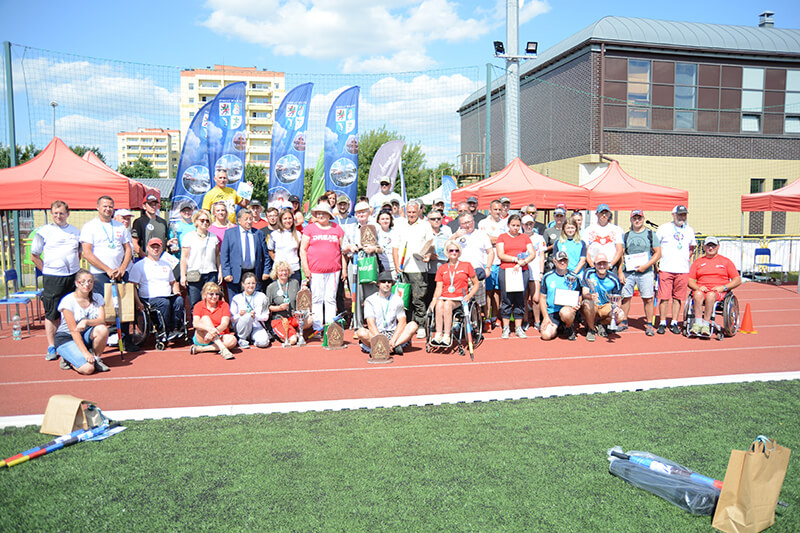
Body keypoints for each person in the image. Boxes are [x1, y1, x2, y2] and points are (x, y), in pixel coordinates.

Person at [80, 195, 138, 352]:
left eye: (111, 206)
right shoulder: (90, 227)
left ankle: (125, 339)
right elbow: (87, 253)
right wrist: (107, 269)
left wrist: (122, 268)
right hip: (100, 274)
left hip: (120, 273)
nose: (108, 209)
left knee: (124, 308)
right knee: (101, 310)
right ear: (98, 207)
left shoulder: (120, 227)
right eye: (105, 206)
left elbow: (128, 249)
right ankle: (96, 341)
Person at [31, 200, 81, 361]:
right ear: (52, 214)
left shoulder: (75, 231)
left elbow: (79, 253)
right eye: (55, 213)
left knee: (72, 312)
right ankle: (52, 346)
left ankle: (72, 342)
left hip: (72, 277)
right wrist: (47, 271)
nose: (58, 216)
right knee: (52, 313)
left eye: (61, 213)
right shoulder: (43, 231)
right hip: (52, 278)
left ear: (68, 214)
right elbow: (34, 256)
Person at [299, 203, 346, 331]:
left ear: (329, 215)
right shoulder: (310, 229)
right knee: (316, 299)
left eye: (323, 213)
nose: (320, 215)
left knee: (330, 299)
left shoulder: (337, 228)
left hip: (334, 270)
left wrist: (344, 269)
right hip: (315, 271)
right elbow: (302, 250)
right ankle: (317, 328)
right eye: (318, 213)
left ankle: (330, 329)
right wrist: (306, 269)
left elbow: (343, 250)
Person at [54, 269, 110, 374]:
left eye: (90, 281)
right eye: (82, 282)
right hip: (67, 338)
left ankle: (97, 359)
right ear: (76, 283)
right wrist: (85, 353)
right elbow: (74, 331)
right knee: (88, 369)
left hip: (85, 335)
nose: (86, 284)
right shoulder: (68, 301)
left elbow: (102, 321)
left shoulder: (98, 298)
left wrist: (86, 321)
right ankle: (69, 360)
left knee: (102, 329)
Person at [392, 199, 434, 338]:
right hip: (403, 268)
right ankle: (407, 324)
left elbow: (430, 244)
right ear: (405, 212)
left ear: (419, 211)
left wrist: (428, 255)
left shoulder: (425, 225)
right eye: (409, 212)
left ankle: (421, 325)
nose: (411, 214)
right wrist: (397, 265)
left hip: (419, 268)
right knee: (404, 299)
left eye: (414, 212)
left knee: (418, 298)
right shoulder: (399, 226)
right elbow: (395, 247)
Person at [129, 238, 185, 342]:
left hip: (167, 296)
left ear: (161, 248)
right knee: (164, 303)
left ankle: (175, 328)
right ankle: (164, 330)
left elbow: (173, 283)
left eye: (157, 247)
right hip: (149, 298)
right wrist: (138, 303)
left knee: (179, 301)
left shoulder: (166, 264)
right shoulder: (140, 265)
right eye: (152, 247)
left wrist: (176, 292)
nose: (155, 249)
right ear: (147, 248)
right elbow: (132, 286)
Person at [687, 236, 741, 336]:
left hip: (719, 292)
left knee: (711, 295)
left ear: (718, 247)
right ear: (704, 247)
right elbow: (690, 280)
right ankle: (698, 323)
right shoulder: (697, 262)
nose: (711, 248)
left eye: (713, 246)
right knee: (698, 294)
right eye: (708, 246)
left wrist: (723, 287)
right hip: (701, 289)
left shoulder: (726, 262)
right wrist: (697, 288)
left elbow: (737, 280)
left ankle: (706, 324)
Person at [619, 209, 661, 336]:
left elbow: (658, 253)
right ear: (631, 220)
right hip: (629, 272)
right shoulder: (626, 235)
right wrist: (620, 271)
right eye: (634, 218)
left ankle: (649, 324)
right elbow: (621, 255)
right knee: (625, 297)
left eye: (639, 218)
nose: (637, 220)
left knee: (647, 298)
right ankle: (624, 321)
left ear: (643, 219)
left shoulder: (651, 234)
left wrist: (646, 266)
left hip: (646, 272)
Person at [656, 205, 696, 335]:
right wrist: (657, 263)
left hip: (682, 270)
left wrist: (684, 259)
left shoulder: (689, 230)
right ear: (673, 215)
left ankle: (674, 322)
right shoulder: (664, 228)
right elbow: (656, 246)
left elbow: (692, 247)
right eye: (680, 215)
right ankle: (662, 322)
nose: (682, 217)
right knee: (664, 297)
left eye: (684, 214)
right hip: (666, 268)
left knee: (678, 298)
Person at [429, 242, 479, 346]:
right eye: (451, 250)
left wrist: (469, 295)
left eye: (456, 250)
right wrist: (434, 300)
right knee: (439, 304)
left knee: (447, 304)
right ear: (447, 252)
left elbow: (476, 284)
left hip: (459, 298)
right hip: (444, 296)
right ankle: (438, 334)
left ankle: (447, 335)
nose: (454, 252)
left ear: (459, 252)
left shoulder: (466, 265)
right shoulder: (442, 268)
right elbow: (438, 288)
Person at [449, 212, 493, 330]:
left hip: (477, 272)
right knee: (460, 300)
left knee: (477, 302)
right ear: (460, 224)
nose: (467, 225)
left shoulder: (482, 235)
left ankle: (476, 324)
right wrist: (455, 236)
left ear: (473, 221)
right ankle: (461, 324)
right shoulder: (457, 236)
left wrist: (488, 267)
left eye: (469, 222)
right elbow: (446, 248)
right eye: (464, 223)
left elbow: (490, 252)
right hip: (460, 274)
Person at [357, 271, 418, 355]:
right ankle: (384, 346)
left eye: (389, 282)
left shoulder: (398, 299)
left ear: (392, 284)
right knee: (361, 332)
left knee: (413, 325)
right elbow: (371, 324)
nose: (386, 284)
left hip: (394, 334)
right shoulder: (370, 300)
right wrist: (381, 340)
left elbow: (402, 322)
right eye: (383, 281)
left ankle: (390, 346)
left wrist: (393, 340)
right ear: (378, 283)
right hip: (376, 333)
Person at [495, 214, 534, 339]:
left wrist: (524, 261)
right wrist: (515, 259)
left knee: (520, 298)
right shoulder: (502, 237)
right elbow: (500, 254)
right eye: (513, 225)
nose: (516, 228)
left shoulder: (525, 238)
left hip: (522, 270)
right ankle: (506, 328)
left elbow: (532, 253)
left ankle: (518, 327)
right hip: (506, 270)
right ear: (508, 225)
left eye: (518, 225)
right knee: (506, 298)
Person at [221, 209, 272, 301]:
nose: (249, 221)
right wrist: (227, 273)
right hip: (235, 275)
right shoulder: (230, 234)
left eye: (250, 219)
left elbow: (266, 255)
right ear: (239, 220)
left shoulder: (258, 234)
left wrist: (266, 271)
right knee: (236, 302)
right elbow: (224, 255)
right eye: (246, 219)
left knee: (254, 301)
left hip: (254, 273)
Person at [180, 209, 222, 310]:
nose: (205, 223)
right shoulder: (188, 237)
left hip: (211, 273)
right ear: (196, 221)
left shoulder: (213, 237)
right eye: (202, 220)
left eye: (207, 221)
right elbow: (184, 258)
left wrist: (220, 272)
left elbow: (217, 256)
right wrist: (182, 275)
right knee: (195, 303)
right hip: (194, 274)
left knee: (211, 301)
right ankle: (197, 325)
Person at [540, 250, 583, 341]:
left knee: (565, 313)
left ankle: (568, 326)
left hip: (567, 311)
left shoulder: (575, 277)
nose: (562, 263)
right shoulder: (547, 277)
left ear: (568, 262)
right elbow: (542, 298)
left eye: (565, 260)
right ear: (555, 261)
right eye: (560, 261)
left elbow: (579, 295)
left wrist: (578, 303)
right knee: (546, 335)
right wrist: (546, 317)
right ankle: (559, 327)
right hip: (552, 312)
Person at [478, 200, 508, 330]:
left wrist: (497, 240)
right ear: (490, 210)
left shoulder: (505, 224)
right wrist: (499, 240)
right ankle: (487, 318)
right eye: (495, 209)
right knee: (487, 292)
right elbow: (486, 240)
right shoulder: (483, 223)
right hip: (487, 262)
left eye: (499, 209)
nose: (497, 212)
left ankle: (496, 317)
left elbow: (506, 240)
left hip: (501, 262)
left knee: (498, 291)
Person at [581, 253, 625, 341]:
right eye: (599, 264)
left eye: (604, 263)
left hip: (606, 305)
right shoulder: (588, 273)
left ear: (608, 264)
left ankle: (601, 323)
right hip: (593, 305)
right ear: (595, 264)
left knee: (620, 315)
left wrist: (617, 307)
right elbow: (584, 293)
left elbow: (618, 298)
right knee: (587, 302)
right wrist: (590, 296)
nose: (602, 266)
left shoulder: (614, 278)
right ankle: (591, 329)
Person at [191, 282, 237, 359]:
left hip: (220, 335)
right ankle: (223, 349)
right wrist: (210, 330)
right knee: (205, 318)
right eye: (211, 294)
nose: (214, 296)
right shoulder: (198, 305)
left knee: (232, 340)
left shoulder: (224, 305)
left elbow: (224, 324)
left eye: (217, 294)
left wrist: (213, 333)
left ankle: (202, 349)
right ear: (205, 295)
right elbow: (195, 324)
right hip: (203, 336)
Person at [266, 261, 303, 345]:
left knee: (309, 320)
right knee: (293, 340)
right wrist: (279, 308)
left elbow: (300, 300)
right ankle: (281, 334)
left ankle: (295, 331)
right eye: (281, 271)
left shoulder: (295, 283)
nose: (283, 273)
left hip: (293, 317)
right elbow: (269, 307)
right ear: (276, 272)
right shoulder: (271, 287)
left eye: (285, 270)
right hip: (279, 319)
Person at [230, 272, 271, 348]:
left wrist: (255, 316)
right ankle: (242, 339)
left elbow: (266, 317)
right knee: (246, 317)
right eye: (248, 283)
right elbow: (232, 319)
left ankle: (253, 340)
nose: (251, 285)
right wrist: (240, 315)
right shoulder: (236, 298)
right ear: (243, 284)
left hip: (257, 326)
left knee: (264, 343)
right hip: (242, 327)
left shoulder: (262, 296)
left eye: (253, 283)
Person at [131, 194, 176, 259]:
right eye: (150, 204)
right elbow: (134, 242)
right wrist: (144, 256)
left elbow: (164, 241)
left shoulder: (163, 222)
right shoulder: (139, 222)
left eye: (155, 204)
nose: (153, 207)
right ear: (144, 206)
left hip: (161, 260)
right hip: (146, 260)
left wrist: (170, 244)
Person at [521, 214, 546, 330]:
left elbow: (542, 256)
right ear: (522, 225)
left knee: (536, 298)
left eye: (530, 224)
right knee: (524, 298)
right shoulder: (519, 237)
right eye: (526, 224)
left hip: (535, 271)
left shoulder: (539, 238)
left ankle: (537, 321)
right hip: (522, 271)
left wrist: (541, 272)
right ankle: (525, 320)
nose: (529, 226)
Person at [583, 204, 624, 270]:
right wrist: (592, 265)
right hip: (594, 264)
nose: (604, 215)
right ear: (597, 214)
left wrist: (611, 265)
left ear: (609, 214)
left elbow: (619, 250)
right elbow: (585, 250)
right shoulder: (589, 229)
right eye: (602, 213)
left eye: (606, 213)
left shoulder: (616, 229)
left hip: (611, 265)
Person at [267, 209, 302, 284]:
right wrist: (278, 262)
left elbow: (300, 252)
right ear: (281, 220)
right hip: (279, 271)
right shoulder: (275, 234)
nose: (288, 221)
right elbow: (270, 250)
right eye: (285, 219)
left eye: (290, 218)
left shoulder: (298, 234)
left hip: (294, 270)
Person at [426, 209, 452, 303]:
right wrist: (428, 255)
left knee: (443, 297)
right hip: (429, 270)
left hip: (444, 269)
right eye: (433, 219)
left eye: (438, 218)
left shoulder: (447, 230)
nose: (436, 221)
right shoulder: (425, 231)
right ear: (428, 220)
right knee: (429, 296)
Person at [375, 210, 398, 279]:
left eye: (387, 219)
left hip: (394, 267)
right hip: (381, 267)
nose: (385, 221)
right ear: (378, 220)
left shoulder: (396, 232)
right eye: (382, 219)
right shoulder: (376, 233)